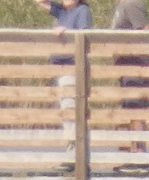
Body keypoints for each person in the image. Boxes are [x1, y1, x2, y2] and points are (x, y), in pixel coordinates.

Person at [34, 0, 93, 160]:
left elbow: (85, 36)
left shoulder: (82, 10)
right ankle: (71, 151)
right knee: (66, 110)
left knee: (71, 109)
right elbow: (40, 2)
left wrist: (67, 31)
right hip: (61, 69)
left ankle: (75, 154)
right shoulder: (63, 11)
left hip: (72, 67)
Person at [111, 0, 149, 157]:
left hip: (135, 66)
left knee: (135, 110)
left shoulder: (131, 4)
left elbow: (145, 31)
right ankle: (129, 153)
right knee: (129, 109)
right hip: (125, 66)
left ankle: (139, 154)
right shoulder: (122, 6)